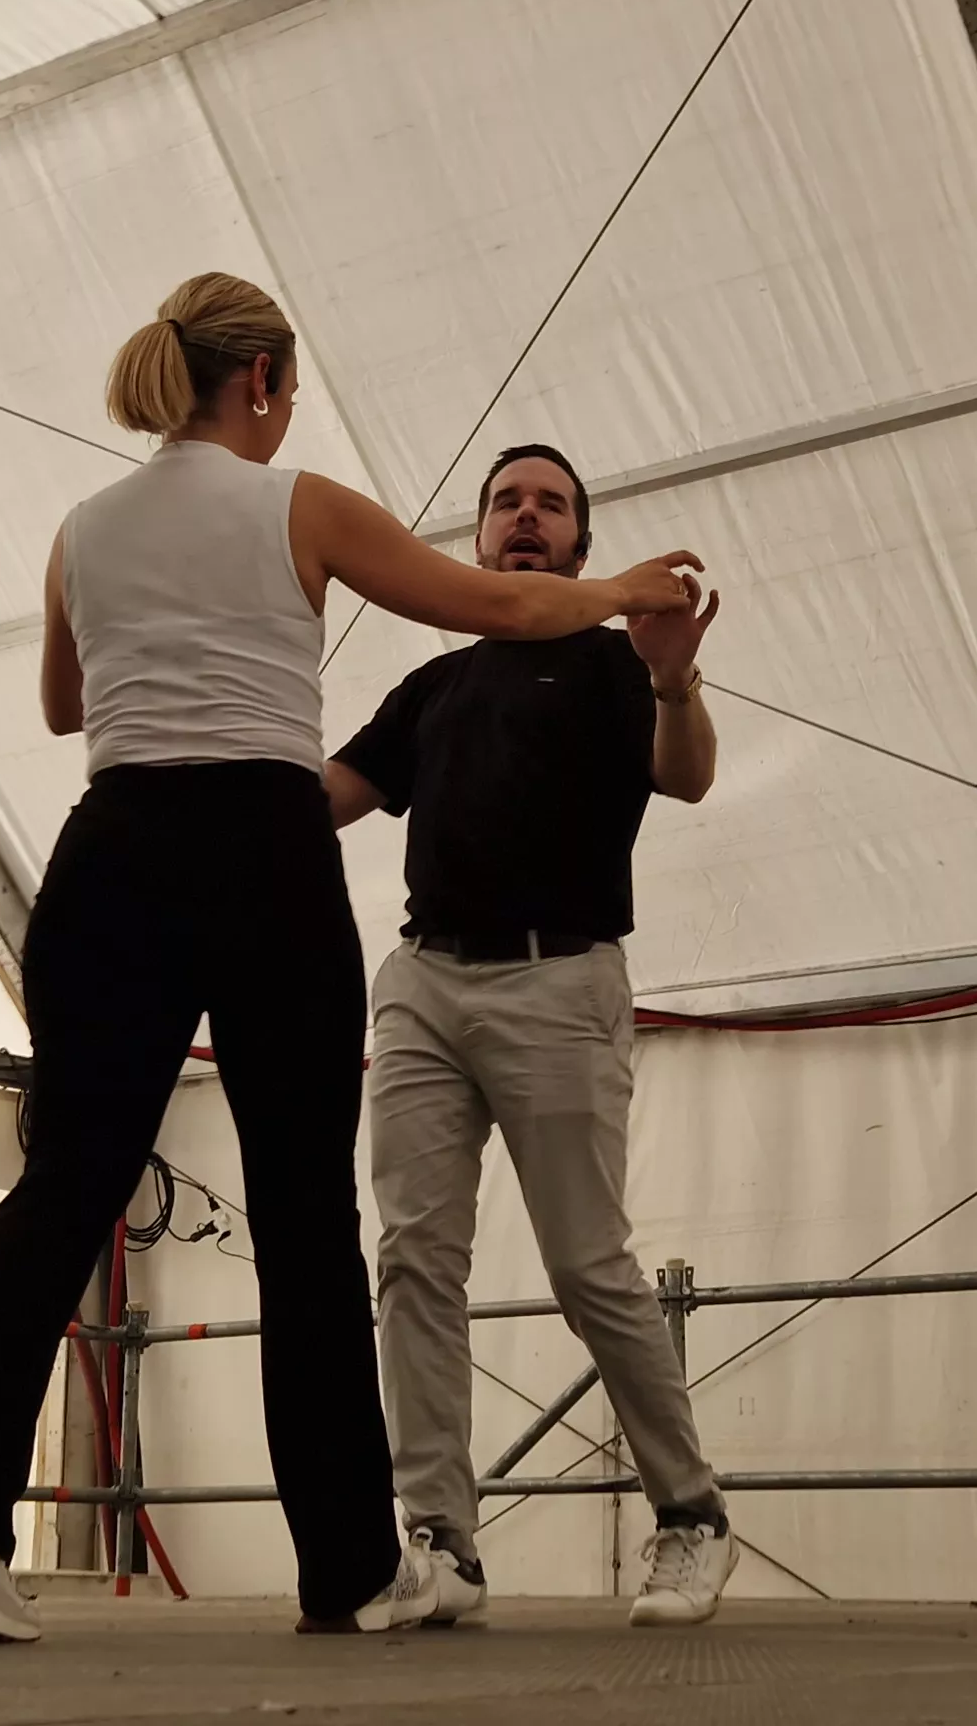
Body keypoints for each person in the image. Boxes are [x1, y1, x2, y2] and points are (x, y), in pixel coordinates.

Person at [0, 275, 707, 1644]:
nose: (290, 409)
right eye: (289, 390)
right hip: (257, 842)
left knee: (65, 1181)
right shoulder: (299, 504)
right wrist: (623, 588)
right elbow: (497, 604)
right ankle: (351, 1566)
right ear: (257, 381)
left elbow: (68, 703)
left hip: (109, 845)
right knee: (304, 1216)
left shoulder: (83, 529)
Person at [322, 441, 737, 1628]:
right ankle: (441, 1546)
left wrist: (671, 682)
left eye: (551, 505)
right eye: (506, 501)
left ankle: (692, 1517)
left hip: (562, 985)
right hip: (421, 985)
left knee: (587, 1267)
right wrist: (205, 802)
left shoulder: (618, 668)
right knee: (412, 1260)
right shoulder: (434, 687)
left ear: (580, 546)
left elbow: (690, 779)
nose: (525, 516)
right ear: (477, 540)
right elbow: (328, 801)